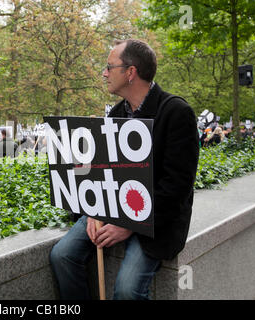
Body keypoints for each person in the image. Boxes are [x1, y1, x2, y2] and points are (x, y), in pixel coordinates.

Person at [49, 39, 199, 300]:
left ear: (130, 73)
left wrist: (131, 225)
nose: (104, 73)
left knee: (127, 290)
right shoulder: (115, 114)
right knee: (61, 256)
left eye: (109, 67)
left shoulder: (177, 112)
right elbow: (102, 173)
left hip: (156, 221)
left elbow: (176, 188)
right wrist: (92, 212)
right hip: (114, 208)